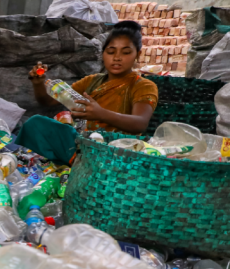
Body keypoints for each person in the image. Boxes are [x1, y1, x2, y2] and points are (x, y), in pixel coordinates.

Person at [16, 21, 159, 163]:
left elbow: (140, 123)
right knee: (36, 123)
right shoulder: (92, 81)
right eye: (111, 52)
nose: (117, 58)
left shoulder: (143, 86)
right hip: (84, 143)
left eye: (126, 52)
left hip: (117, 151)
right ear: (103, 54)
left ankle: (78, 163)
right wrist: (39, 83)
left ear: (137, 55)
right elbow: (48, 101)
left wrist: (101, 114)